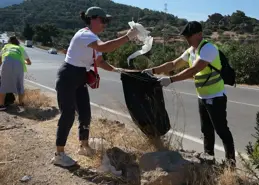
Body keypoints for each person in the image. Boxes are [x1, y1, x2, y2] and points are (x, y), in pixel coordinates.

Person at [53, 6, 139, 167]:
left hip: (79, 78)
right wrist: (127, 37)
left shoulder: (92, 39)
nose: (105, 24)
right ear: (92, 19)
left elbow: (100, 61)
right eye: (103, 20)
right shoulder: (85, 34)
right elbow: (104, 47)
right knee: (68, 115)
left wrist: (118, 70)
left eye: (107, 21)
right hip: (68, 76)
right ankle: (59, 154)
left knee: (85, 113)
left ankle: (84, 146)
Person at [142, 21, 236, 166]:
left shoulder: (208, 49)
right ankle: (208, 161)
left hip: (216, 97)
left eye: (189, 36)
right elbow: (174, 64)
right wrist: (152, 70)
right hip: (202, 97)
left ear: (199, 34)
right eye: (186, 36)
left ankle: (231, 164)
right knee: (206, 131)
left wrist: (171, 79)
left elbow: (193, 70)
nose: (187, 39)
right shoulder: (191, 51)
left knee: (222, 130)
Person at [0, 36, 32, 111]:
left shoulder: (5, 47)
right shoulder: (20, 48)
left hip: (6, 63)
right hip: (18, 65)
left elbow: (0, 60)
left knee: (3, 84)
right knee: (20, 84)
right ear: (17, 42)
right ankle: (20, 103)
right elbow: (29, 62)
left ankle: (1, 105)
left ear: (9, 42)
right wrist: (23, 61)